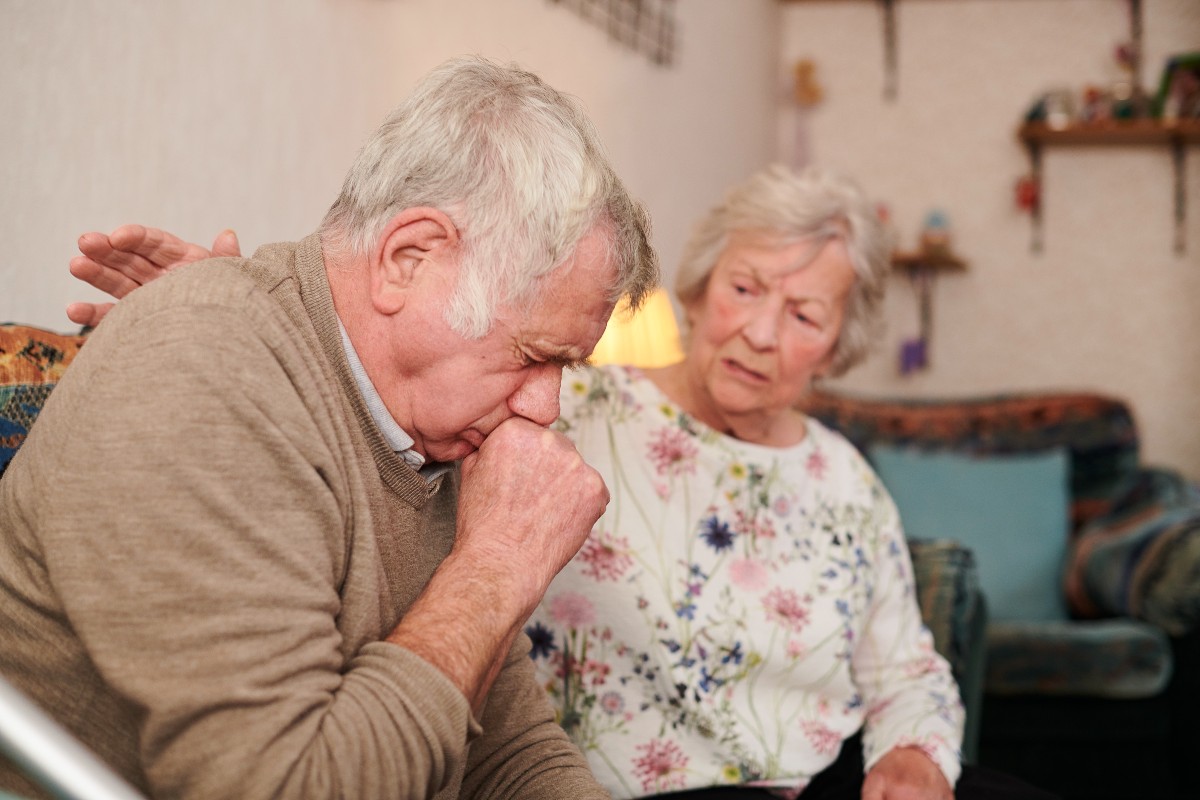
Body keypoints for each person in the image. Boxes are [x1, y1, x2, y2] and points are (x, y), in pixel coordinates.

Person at [64, 167, 1057, 800]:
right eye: (745, 289)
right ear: (702, 289)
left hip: (832, 775)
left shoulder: (844, 478)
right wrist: (238, 313)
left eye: (804, 313)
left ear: (842, 344)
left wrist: (917, 755)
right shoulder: (566, 405)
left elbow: (908, 664)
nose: (760, 329)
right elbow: (395, 375)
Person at [0, 55, 658, 800]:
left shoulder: (425, 433)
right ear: (408, 259)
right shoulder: (204, 361)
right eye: (536, 356)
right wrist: (497, 565)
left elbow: (508, 753)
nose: (547, 408)